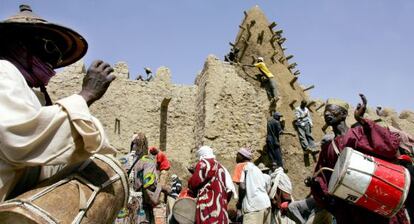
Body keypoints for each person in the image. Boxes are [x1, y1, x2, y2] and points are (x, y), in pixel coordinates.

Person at [0, 5, 117, 202]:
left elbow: (43, 157)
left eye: (60, 55)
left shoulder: (26, 89)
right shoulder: (3, 72)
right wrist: (85, 96)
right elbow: (21, 139)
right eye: (50, 47)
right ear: (19, 44)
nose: (54, 61)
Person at [309, 94, 410, 224]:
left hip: (375, 199)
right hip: (351, 208)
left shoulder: (359, 133)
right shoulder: (327, 148)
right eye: (326, 111)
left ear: (344, 114)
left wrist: (361, 119)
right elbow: (324, 178)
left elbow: (388, 145)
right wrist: (315, 183)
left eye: (333, 111)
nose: (328, 114)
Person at [188, 146, 230, 224]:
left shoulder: (203, 163)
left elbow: (194, 183)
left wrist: (191, 181)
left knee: (209, 220)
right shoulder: (220, 166)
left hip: (208, 202)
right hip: (220, 202)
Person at [232, 148, 271, 223]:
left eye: (238, 154)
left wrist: (239, 203)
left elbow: (242, 187)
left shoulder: (241, 166)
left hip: (253, 206)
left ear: (243, 156)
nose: (236, 156)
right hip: (266, 205)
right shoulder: (256, 168)